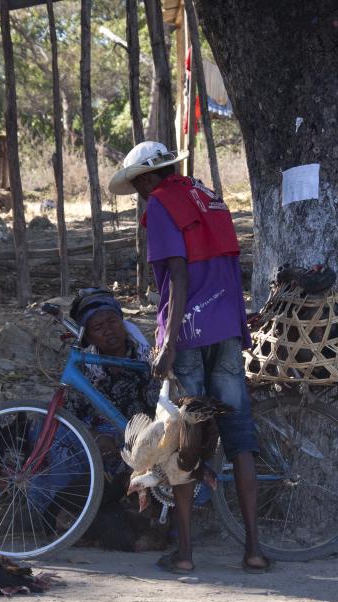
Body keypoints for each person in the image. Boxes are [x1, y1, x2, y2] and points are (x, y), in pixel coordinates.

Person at [108, 141, 271, 574]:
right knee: (240, 438)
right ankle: (254, 550)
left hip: (191, 332)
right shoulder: (207, 197)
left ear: (145, 178)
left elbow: (178, 275)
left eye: (138, 186)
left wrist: (168, 344)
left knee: (185, 442)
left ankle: (185, 554)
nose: (140, 194)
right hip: (228, 327)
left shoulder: (161, 204)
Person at [61, 288, 168, 552]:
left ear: (123, 322)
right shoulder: (86, 369)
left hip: (143, 452)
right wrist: (96, 438)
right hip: (100, 455)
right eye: (98, 327)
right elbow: (69, 417)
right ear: (89, 335)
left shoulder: (148, 360)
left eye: (112, 322)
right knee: (68, 501)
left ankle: (117, 529)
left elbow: (161, 411)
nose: (108, 330)